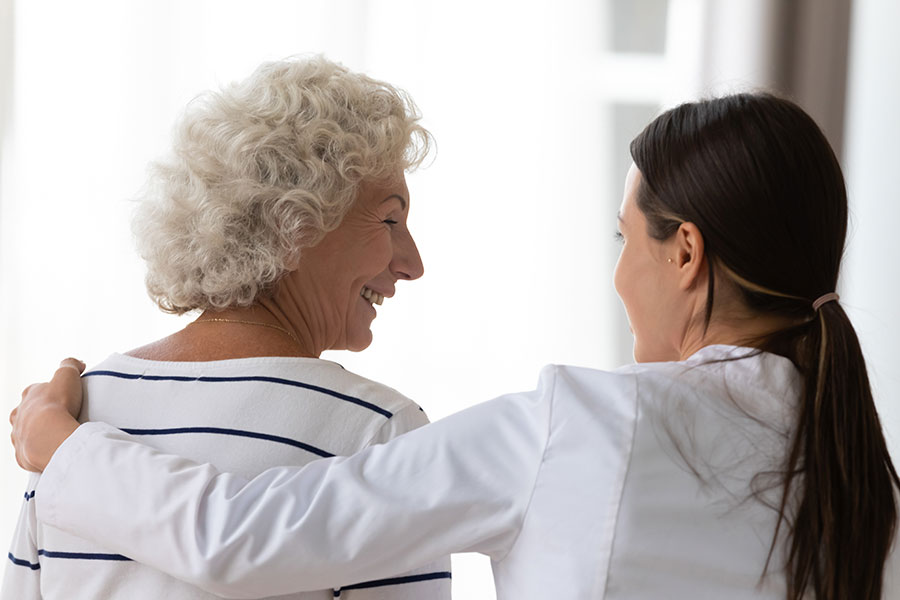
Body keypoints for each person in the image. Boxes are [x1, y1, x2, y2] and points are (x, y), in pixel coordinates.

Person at [10, 93, 900, 599]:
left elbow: (244, 533)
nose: (621, 275)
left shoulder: (578, 427)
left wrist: (66, 449)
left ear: (687, 252)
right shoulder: (869, 488)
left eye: (623, 240)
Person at [2, 56, 452, 599]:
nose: (413, 262)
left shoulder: (67, 422)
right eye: (389, 220)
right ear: (297, 223)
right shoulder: (379, 433)